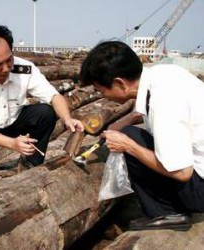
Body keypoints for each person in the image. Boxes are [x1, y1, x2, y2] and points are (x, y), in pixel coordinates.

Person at [80, 41, 204, 231]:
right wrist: (127, 120)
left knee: (131, 138)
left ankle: (168, 212)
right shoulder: (164, 73)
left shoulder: (163, 102)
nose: (103, 96)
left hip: (200, 188)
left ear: (120, 83)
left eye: (101, 90)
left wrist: (128, 146)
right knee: (129, 132)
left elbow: (182, 172)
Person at [0, 25, 84, 177]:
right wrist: (12, 144)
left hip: (16, 120)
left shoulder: (25, 69)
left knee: (45, 112)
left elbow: (54, 96)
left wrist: (67, 119)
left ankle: (31, 165)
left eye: (9, 60)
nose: (6, 68)